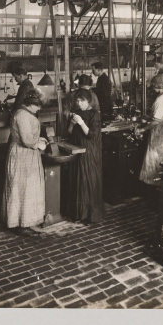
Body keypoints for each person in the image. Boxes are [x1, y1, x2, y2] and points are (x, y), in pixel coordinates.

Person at [2, 90, 48, 237]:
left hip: (27, 155)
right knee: (22, 189)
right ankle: (21, 224)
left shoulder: (25, 113)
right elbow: (27, 140)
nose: (39, 109)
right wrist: (38, 144)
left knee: (27, 188)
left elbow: (28, 135)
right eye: (38, 106)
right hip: (21, 155)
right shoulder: (21, 115)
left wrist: (39, 139)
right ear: (31, 104)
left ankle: (26, 221)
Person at [67, 89, 104, 224]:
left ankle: (90, 215)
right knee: (78, 180)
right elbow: (70, 133)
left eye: (82, 100)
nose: (79, 103)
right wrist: (72, 123)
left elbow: (91, 135)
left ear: (89, 101)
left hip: (89, 152)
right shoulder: (76, 113)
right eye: (77, 100)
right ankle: (79, 214)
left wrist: (81, 122)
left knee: (88, 181)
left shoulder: (95, 114)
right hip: (77, 150)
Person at [139, 74, 163, 190]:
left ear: (159, 86)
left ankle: (154, 184)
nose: (153, 89)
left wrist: (143, 128)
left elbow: (156, 121)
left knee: (156, 157)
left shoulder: (160, 99)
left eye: (154, 86)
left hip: (161, 129)